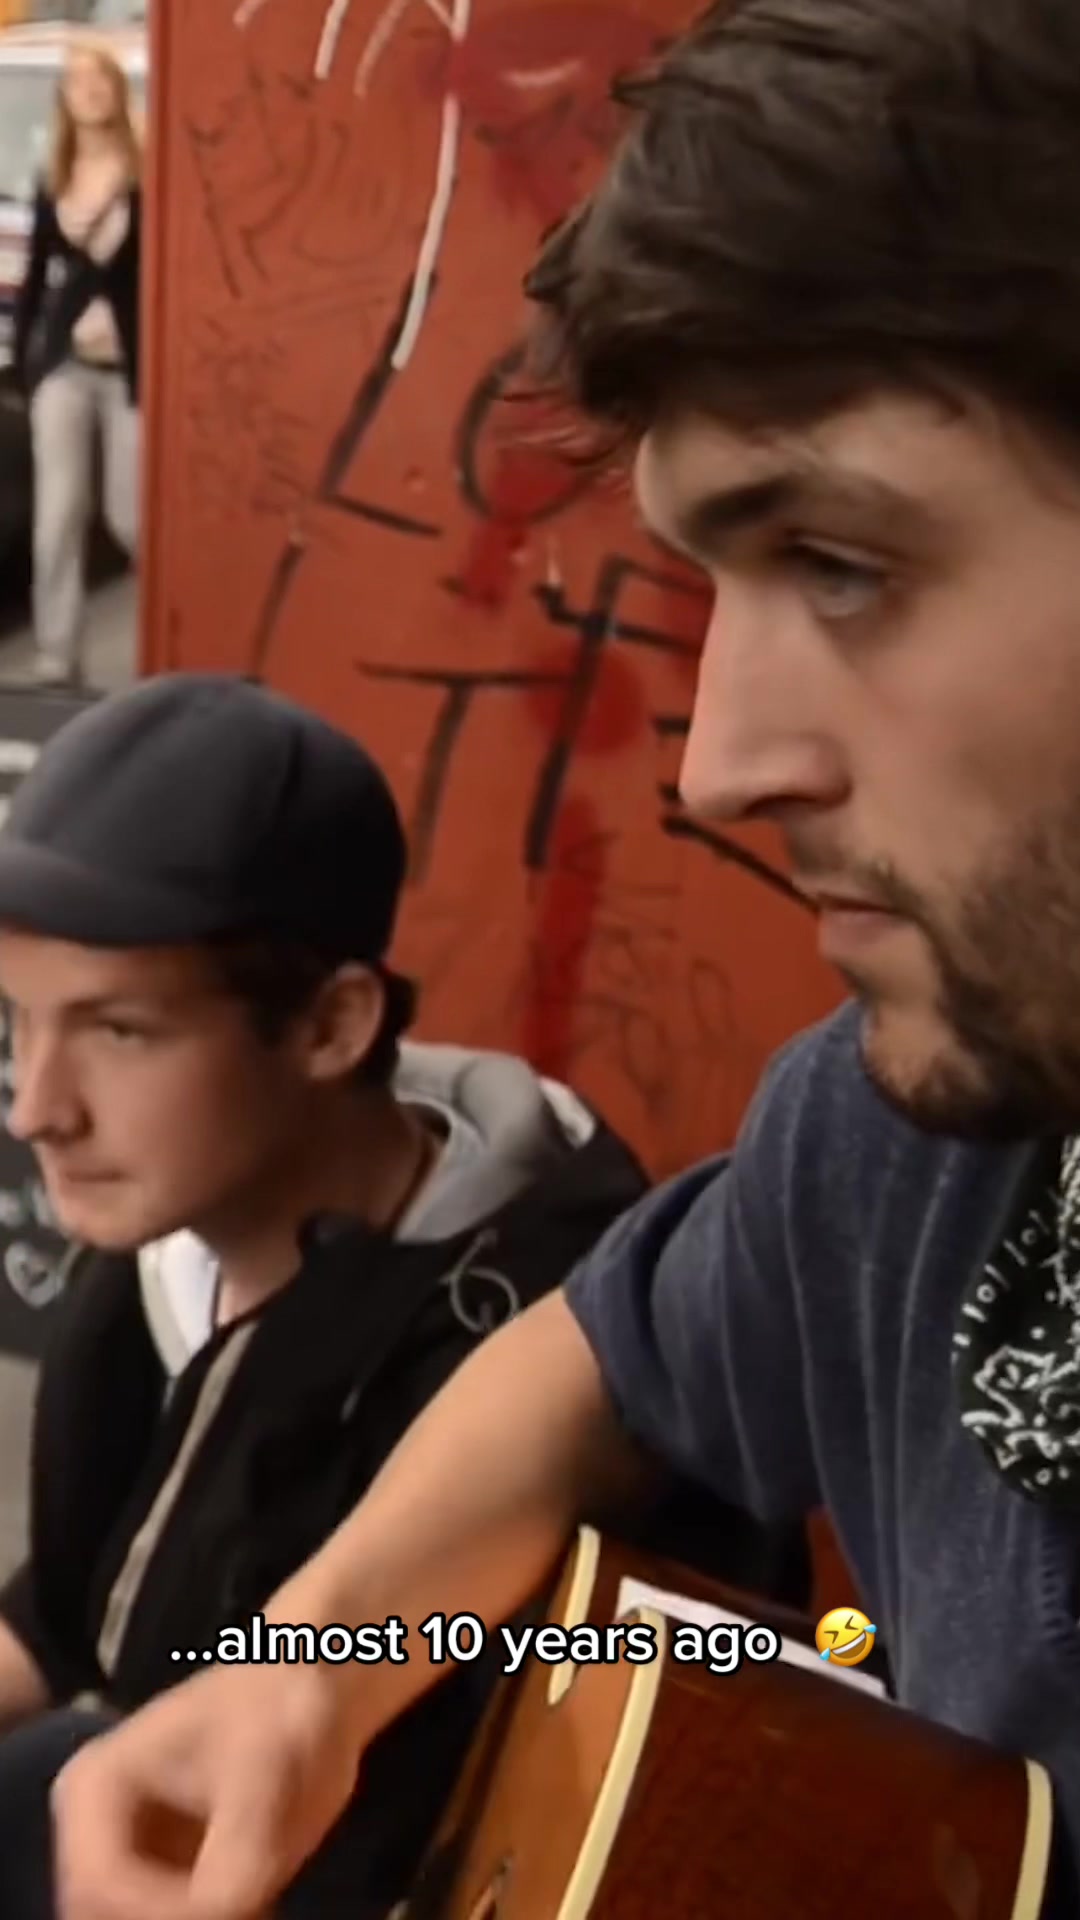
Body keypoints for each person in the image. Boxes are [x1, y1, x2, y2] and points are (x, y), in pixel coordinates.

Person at [48, 0, 1080, 1912]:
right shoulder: (900, 1144)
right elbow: (595, 1368)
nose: (718, 762)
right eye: (714, 579)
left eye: (843, 563)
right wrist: (315, 1666)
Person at [0, 671, 807, 1919]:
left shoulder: (571, 1346)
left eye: (120, 1034)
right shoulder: (153, 1253)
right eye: (18, 1024)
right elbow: (61, 1626)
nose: (37, 1109)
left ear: (332, 1024)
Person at [11, 36, 142, 691]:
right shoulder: (54, 176)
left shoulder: (145, 175)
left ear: (117, 91)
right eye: (78, 82)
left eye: (99, 80)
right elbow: (36, 278)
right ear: (65, 98)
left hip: (130, 372)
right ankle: (58, 655)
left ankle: (166, 641)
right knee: (58, 512)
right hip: (65, 367)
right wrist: (27, 365)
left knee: (131, 515)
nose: (89, 91)